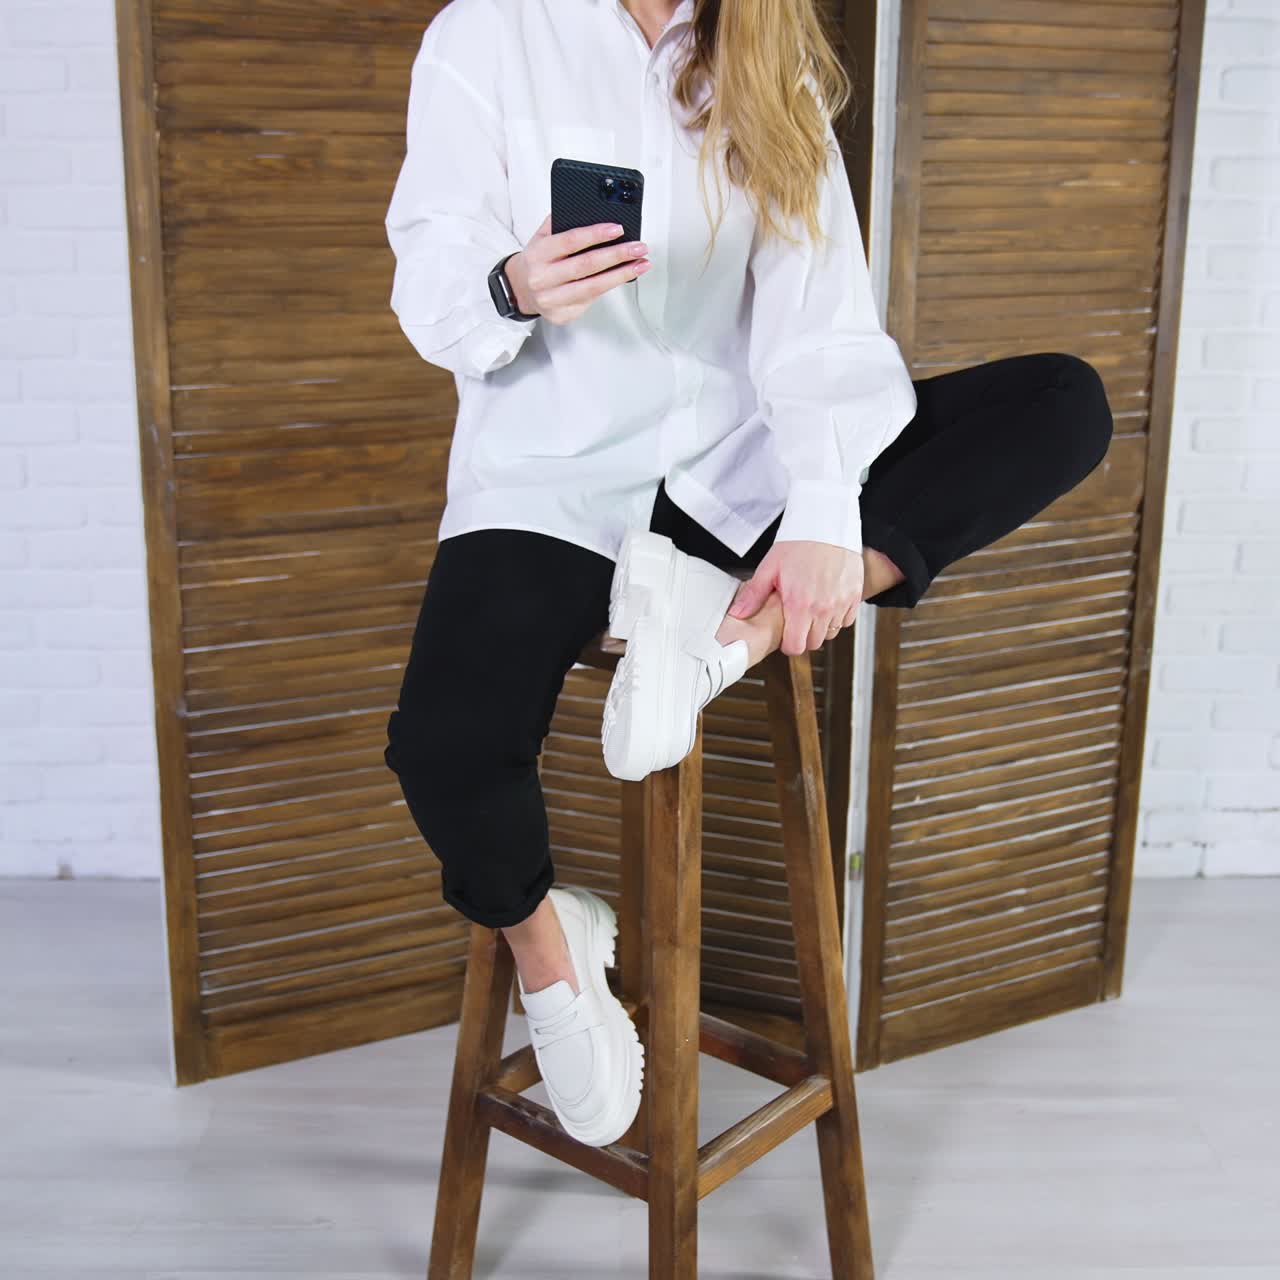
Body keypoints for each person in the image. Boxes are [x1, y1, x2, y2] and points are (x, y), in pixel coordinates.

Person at [382, 0, 1114, 1148]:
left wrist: (824, 515)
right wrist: (511, 285)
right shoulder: (486, 31)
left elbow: (818, 322)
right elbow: (427, 266)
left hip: (738, 474)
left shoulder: (770, 51)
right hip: (553, 471)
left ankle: (731, 637)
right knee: (442, 743)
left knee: (1061, 402)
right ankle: (548, 946)